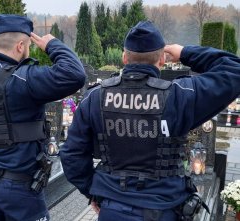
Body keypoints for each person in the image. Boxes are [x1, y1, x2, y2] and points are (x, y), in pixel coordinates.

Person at [60, 20, 240, 221]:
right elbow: (234, 70)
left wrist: (92, 191)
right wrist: (184, 52)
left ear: (124, 58)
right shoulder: (179, 96)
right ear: (162, 60)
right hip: (164, 210)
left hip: (113, 209)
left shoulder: (94, 98)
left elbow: (71, 154)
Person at [0, 14, 85, 221]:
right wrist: (52, 45)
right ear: (21, 46)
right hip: (21, 190)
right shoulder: (24, 78)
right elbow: (75, 74)